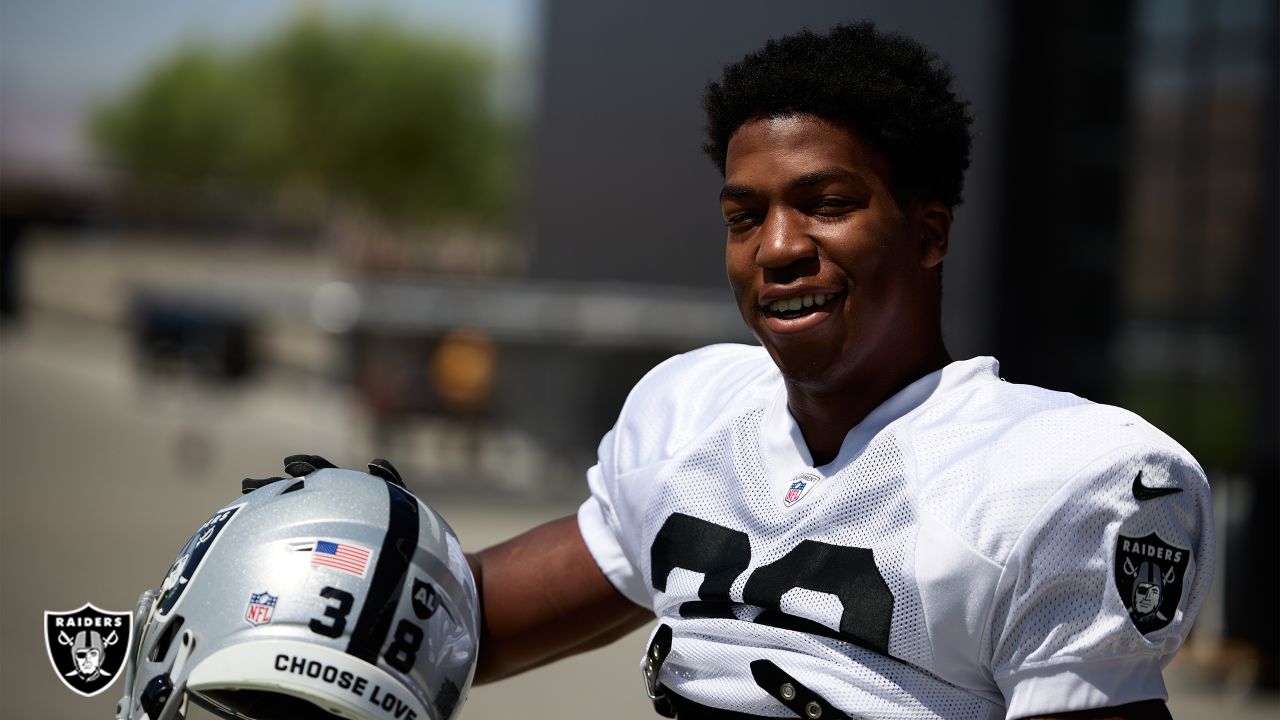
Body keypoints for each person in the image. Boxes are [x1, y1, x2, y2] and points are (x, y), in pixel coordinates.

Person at [467, 22, 1213, 720]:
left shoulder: (1060, 479)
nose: (777, 247)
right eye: (743, 217)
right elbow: (458, 617)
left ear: (928, 234)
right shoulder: (690, 414)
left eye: (825, 204)